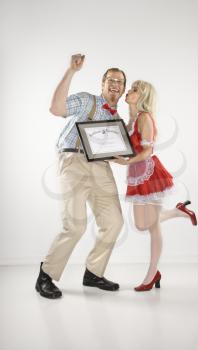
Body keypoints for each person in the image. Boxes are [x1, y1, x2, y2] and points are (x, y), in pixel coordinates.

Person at [36, 54, 126, 298]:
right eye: (111, 80)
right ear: (103, 83)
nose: (115, 84)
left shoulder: (118, 120)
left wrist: (134, 158)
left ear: (123, 89)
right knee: (75, 225)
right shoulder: (88, 101)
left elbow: (115, 155)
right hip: (73, 161)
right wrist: (71, 71)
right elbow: (56, 108)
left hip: (100, 168)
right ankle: (46, 275)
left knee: (114, 222)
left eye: (120, 82)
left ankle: (93, 273)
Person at [113, 80, 197, 292]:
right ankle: (179, 211)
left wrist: (126, 162)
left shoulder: (144, 118)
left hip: (150, 174)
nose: (129, 91)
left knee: (152, 226)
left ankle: (151, 274)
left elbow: (147, 153)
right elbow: (130, 147)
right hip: (136, 174)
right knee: (142, 225)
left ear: (142, 97)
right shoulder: (131, 119)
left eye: (134, 90)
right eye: (130, 88)